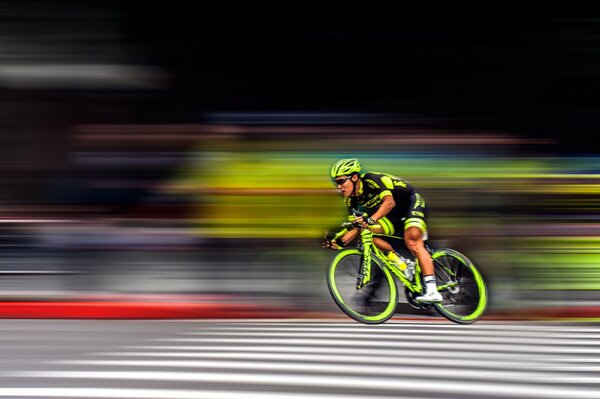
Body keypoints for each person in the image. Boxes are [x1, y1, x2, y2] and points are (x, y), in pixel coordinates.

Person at [323, 158, 443, 303]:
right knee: (366, 233)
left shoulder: (372, 180)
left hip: (411, 203)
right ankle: (403, 264)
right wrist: (340, 242)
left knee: (412, 242)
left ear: (354, 177)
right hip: (392, 214)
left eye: (341, 181)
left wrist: (370, 220)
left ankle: (433, 291)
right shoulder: (350, 200)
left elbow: (389, 202)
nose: (339, 186)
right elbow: (356, 227)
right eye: (336, 183)